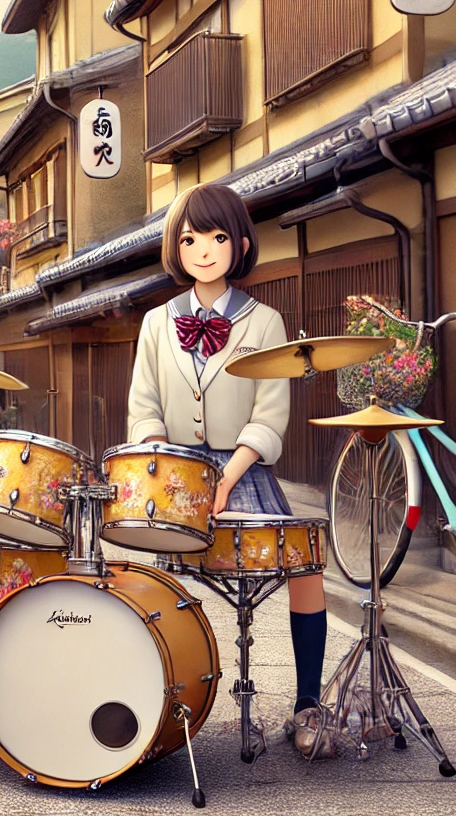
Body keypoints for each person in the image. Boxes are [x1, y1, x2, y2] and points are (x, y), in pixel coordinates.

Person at [126, 182, 332, 759]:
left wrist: (229, 474)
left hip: (245, 474)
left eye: (218, 237)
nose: (205, 250)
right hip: (174, 474)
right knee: (149, 581)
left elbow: (271, 414)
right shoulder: (154, 323)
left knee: (305, 569)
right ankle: (160, 694)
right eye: (191, 238)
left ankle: (307, 704)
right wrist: (171, 466)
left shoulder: (265, 321)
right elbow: (142, 408)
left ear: (239, 243)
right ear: (176, 246)